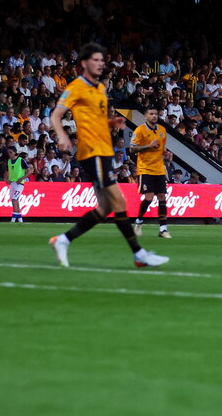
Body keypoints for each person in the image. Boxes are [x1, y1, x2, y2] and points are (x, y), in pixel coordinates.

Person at [48, 43, 168, 268]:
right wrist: (63, 136)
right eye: (96, 59)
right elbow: (56, 115)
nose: (101, 63)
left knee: (105, 208)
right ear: (84, 63)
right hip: (91, 152)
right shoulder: (76, 87)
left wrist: (112, 122)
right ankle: (138, 253)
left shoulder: (100, 89)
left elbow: (97, 121)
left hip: (105, 151)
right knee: (119, 201)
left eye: (102, 60)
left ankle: (63, 240)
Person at [131, 107, 171, 239]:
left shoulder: (162, 130)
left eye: (156, 114)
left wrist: (166, 154)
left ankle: (163, 229)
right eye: (151, 114)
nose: (154, 116)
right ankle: (139, 221)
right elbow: (131, 149)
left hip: (159, 168)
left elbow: (161, 148)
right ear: (145, 116)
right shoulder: (140, 130)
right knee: (149, 197)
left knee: (162, 197)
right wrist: (148, 146)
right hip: (145, 168)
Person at [6, 147, 32, 223]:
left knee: (14, 199)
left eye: (11, 152)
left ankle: (13, 219)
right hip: (12, 183)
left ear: (15, 152)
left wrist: (21, 178)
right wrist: (6, 179)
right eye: (8, 153)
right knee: (15, 201)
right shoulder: (9, 161)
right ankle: (20, 218)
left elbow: (29, 171)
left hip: (19, 183)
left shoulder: (21, 160)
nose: (9, 154)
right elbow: (7, 171)